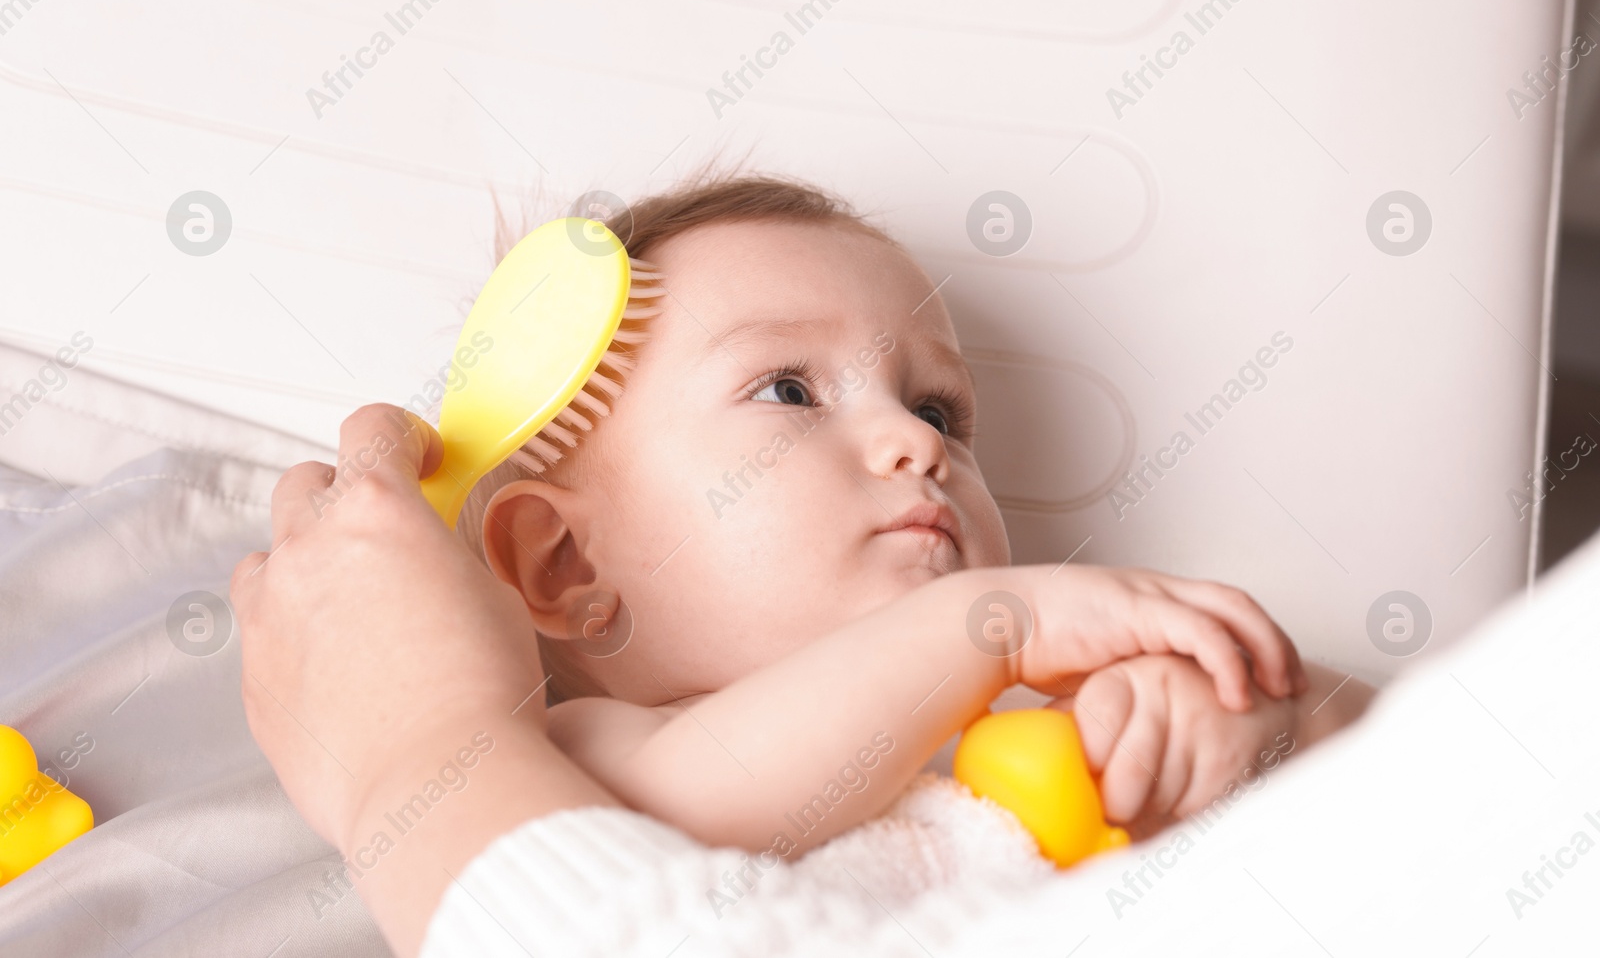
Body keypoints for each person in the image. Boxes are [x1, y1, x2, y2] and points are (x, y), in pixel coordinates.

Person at [232, 174, 1372, 956]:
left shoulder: (1043, 696)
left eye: (938, 406)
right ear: (567, 560)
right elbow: (699, 808)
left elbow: (1405, 747)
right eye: (788, 389)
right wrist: (989, 620)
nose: (919, 441)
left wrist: (1253, 713)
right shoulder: (592, 757)